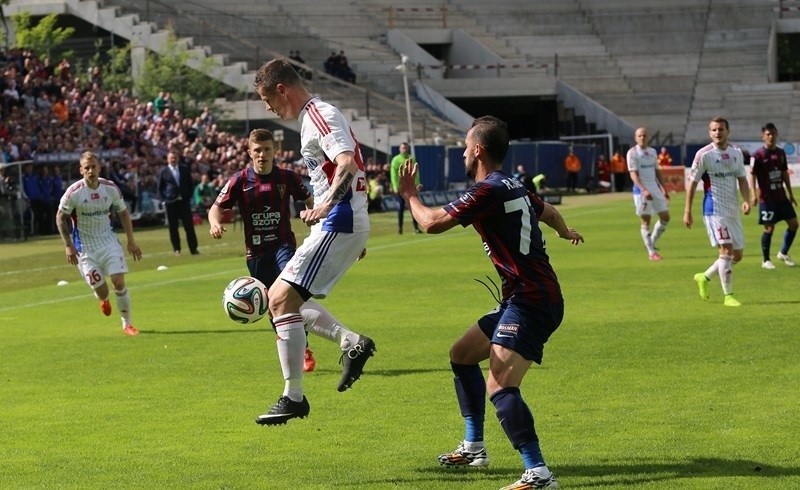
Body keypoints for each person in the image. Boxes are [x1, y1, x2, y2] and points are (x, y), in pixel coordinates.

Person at [398, 116, 583, 490]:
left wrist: (409, 196)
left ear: (478, 150)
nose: (464, 152)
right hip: (524, 295)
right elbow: (547, 212)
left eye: (467, 146)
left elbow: (432, 223)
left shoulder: (488, 190)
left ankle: (538, 474)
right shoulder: (511, 184)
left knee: (499, 387)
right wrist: (565, 231)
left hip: (532, 300)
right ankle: (474, 448)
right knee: (462, 354)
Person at [252, 58, 376, 425]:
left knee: (278, 299)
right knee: (283, 301)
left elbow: (347, 162)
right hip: (341, 224)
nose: (267, 108)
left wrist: (325, 206)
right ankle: (349, 343)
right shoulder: (310, 119)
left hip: (339, 220)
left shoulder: (320, 114)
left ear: (281, 89)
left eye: (266, 98)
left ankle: (294, 397)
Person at [208, 128, 359, 375]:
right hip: (255, 255)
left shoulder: (287, 178)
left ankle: (306, 350)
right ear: (249, 152)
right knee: (273, 307)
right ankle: (295, 349)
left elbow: (311, 200)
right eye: (257, 150)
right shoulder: (239, 180)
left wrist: (316, 219)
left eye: (267, 149)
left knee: (289, 296)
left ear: (274, 151)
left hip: (283, 246)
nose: (262, 154)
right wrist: (215, 223)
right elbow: (215, 208)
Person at [55, 151, 143, 336]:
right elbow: (60, 217)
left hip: (108, 242)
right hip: (84, 249)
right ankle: (103, 299)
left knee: (118, 282)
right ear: (81, 170)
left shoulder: (110, 188)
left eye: (93, 167)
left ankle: (127, 324)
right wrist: (68, 245)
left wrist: (131, 241)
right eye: (86, 168)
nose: (90, 171)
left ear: (99, 168)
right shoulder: (74, 192)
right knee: (102, 291)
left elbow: (124, 213)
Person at [684, 117, 751, 307]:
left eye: (720, 129)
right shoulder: (703, 154)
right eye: (713, 130)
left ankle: (704, 277)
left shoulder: (736, 152)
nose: (717, 133)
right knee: (726, 251)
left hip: (732, 210)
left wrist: (746, 200)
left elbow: (742, 179)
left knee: (737, 256)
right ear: (709, 133)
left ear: (728, 131)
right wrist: (687, 210)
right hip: (714, 210)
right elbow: (692, 184)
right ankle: (728, 296)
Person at [747, 122, 797, 269]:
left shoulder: (781, 153)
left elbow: (784, 173)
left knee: (794, 224)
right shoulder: (758, 155)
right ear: (763, 136)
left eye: (773, 134)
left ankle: (783, 252)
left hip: (781, 197)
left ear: (777, 135)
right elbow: (752, 175)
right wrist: (753, 194)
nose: (771, 137)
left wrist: (791, 194)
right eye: (768, 134)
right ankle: (766, 260)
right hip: (767, 199)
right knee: (769, 228)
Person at [627, 127, 670, 261]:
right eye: (639, 136)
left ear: (648, 137)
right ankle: (652, 253)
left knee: (665, 217)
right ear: (635, 138)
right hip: (641, 191)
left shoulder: (652, 152)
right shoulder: (632, 153)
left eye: (644, 135)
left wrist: (663, 188)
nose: (642, 138)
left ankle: (650, 242)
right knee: (646, 221)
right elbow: (633, 174)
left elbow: (657, 171)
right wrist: (643, 190)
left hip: (655, 188)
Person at [158, 147, 200, 256]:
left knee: (189, 226)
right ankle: (177, 249)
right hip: (171, 203)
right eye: (171, 158)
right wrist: (164, 199)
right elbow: (160, 187)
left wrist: (188, 196)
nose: (173, 160)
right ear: (168, 159)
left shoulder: (184, 169)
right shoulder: (164, 171)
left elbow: (190, 184)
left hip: (184, 202)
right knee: (173, 228)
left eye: (175, 158)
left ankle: (193, 249)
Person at [390, 142, 421, 234]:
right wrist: (395, 186)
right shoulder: (396, 159)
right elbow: (393, 174)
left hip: (411, 188)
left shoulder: (411, 158)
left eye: (406, 148)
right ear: (399, 149)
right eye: (403, 148)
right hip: (401, 188)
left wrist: (417, 184)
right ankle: (400, 229)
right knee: (400, 208)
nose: (404, 149)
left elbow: (416, 173)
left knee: (414, 208)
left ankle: (416, 228)